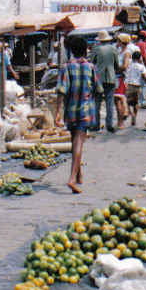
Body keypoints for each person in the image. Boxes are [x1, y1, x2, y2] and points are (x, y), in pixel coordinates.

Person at [54, 36, 103, 194]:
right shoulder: (91, 67)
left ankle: (79, 174)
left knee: (75, 141)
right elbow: (99, 89)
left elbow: (61, 91)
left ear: (71, 51)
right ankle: (72, 178)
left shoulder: (66, 67)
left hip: (70, 111)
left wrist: (57, 113)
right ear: (85, 50)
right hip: (86, 110)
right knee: (79, 143)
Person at [91, 30, 118, 133]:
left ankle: (96, 124)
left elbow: (92, 63)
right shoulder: (113, 49)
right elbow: (116, 64)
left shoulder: (96, 49)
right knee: (109, 103)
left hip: (98, 78)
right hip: (111, 77)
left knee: (97, 102)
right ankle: (109, 124)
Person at [125, 50, 146, 126]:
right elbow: (144, 76)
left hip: (129, 85)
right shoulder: (141, 66)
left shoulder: (129, 65)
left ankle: (131, 114)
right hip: (137, 86)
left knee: (128, 103)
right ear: (139, 58)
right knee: (136, 103)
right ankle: (135, 116)